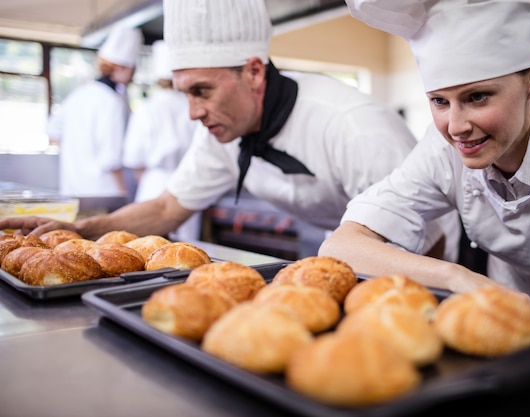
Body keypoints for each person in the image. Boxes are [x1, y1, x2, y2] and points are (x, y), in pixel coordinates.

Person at [1, 0, 456, 258]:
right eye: (184, 94)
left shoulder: (354, 130)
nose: (193, 113)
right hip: (345, 250)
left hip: (418, 255)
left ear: (254, 72)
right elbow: (164, 208)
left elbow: (430, 239)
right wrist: (86, 229)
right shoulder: (222, 132)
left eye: (202, 90)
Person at [319, 0, 530, 327]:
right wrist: (454, 277)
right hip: (502, 309)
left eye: (477, 97)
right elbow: (340, 247)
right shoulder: (441, 150)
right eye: (439, 101)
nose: (455, 127)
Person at [47, 24, 143, 198]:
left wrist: (79, 154)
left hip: (72, 186)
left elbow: (53, 132)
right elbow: (111, 158)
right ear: (120, 68)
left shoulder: (79, 93)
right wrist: (124, 195)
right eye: (132, 70)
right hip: (104, 190)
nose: (132, 77)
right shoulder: (111, 101)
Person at [123, 40, 201, 241]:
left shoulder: (147, 107)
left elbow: (134, 157)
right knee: (187, 250)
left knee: (147, 248)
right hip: (190, 183)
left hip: (153, 183)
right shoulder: (194, 105)